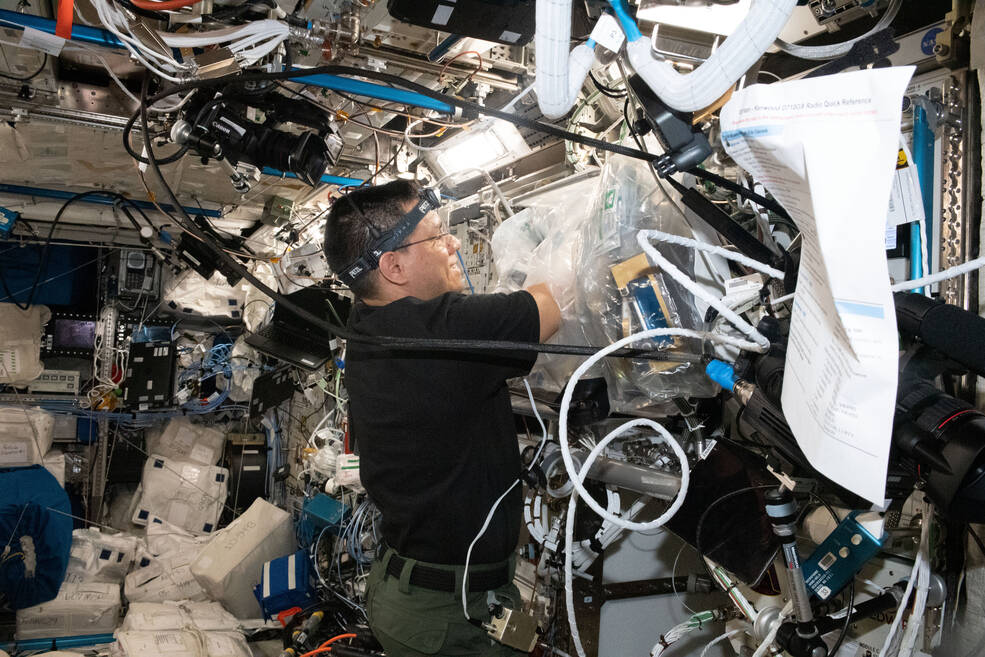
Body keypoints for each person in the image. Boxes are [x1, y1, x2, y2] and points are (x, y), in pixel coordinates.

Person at [324, 180, 560, 656]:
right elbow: (552, 305)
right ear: (393, 266)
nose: (452, 243)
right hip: (447, 616)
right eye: (435, 236)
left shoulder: (370, 322)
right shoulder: (436, 332)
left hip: (422, 596)